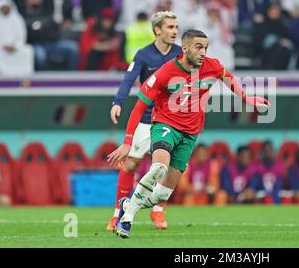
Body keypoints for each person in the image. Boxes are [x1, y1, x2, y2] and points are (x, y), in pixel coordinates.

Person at [107, 29, 269, 238]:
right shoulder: (165, 73)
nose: (203, 52)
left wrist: (248, 99)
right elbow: (139, 107)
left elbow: (227, 78)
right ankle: (127, 218)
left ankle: (128, 203)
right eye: (198, 47)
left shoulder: (212, 66)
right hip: (165, 126)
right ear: (185, 49)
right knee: (158, 167)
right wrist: (128, 142)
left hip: (190, 134)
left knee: (162, 194)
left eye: (206, 48)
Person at [106, 11, 182, 232]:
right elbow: (129, 78)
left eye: (176, 27)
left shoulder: (181, 54)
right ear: (157, 30)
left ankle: (157, 209)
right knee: (130, 164)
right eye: (170, 27)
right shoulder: (144, 55)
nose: (175, 31)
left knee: (163, 167)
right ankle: (117, 213)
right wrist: (118, 102)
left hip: (170, 120)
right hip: (147, 118)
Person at [0, 0, 34, 76]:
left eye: (7, 8)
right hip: (0, 47)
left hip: (16, 47)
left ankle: (24, 75)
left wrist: (15, 46)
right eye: (3, 8)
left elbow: (22, 36)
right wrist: (3, 47)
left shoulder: (17, 19)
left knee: (28, 50)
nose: (5, 10)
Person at [252, 3, 293, 70]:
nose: (275, 13)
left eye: (277, 12)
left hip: (282, 52)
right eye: (273, 11)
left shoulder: (282, 25)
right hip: (266, 54)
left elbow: (287, 38)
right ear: (269, 12)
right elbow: (257, 42)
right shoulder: (262, 25)